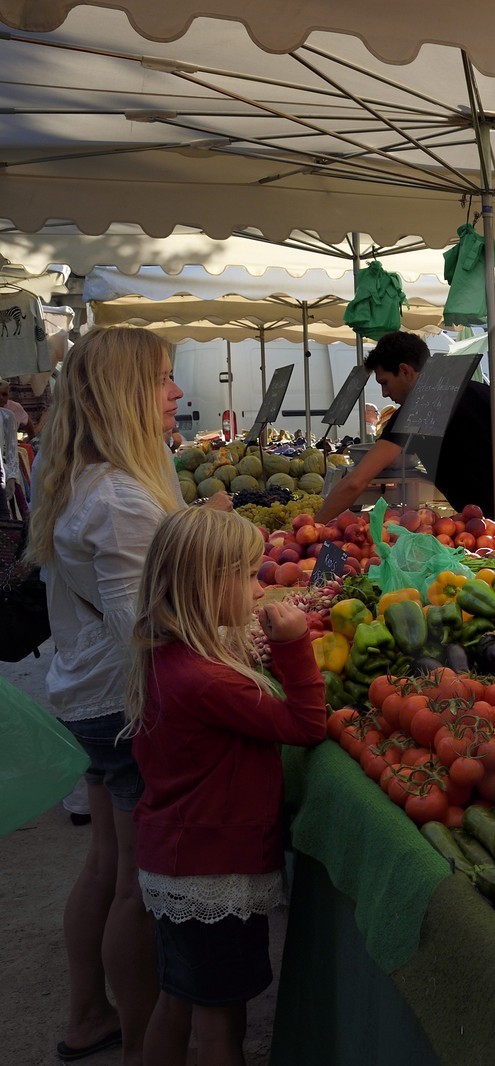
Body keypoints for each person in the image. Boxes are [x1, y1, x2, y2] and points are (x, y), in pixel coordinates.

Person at [26, 326, 192, 1065]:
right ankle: (143, 1044)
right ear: (127, 393)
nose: (176, 393)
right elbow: (145, 635)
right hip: (121, 706)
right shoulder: (123, 497)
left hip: (86, 694)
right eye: (161, 379)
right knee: (135, 885)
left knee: (101, 864)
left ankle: (88, 1015)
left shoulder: (82, 476)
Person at [127, 506, 325, 1066]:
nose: (260, 586)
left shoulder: (166, 656)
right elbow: (306, 726)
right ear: (209, 586)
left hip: (176, 859)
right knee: (220, 1020)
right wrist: (294, 646)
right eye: (247, 575)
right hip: (212, 869)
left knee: (178, 997)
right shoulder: (208, 681)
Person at [313, 331, 495, 541]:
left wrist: (315, 527)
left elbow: (356, 481)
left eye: (385, 382)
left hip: (490, 532)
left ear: (405, 371)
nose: (385, 393)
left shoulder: (415, 412)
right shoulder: (485, 392)